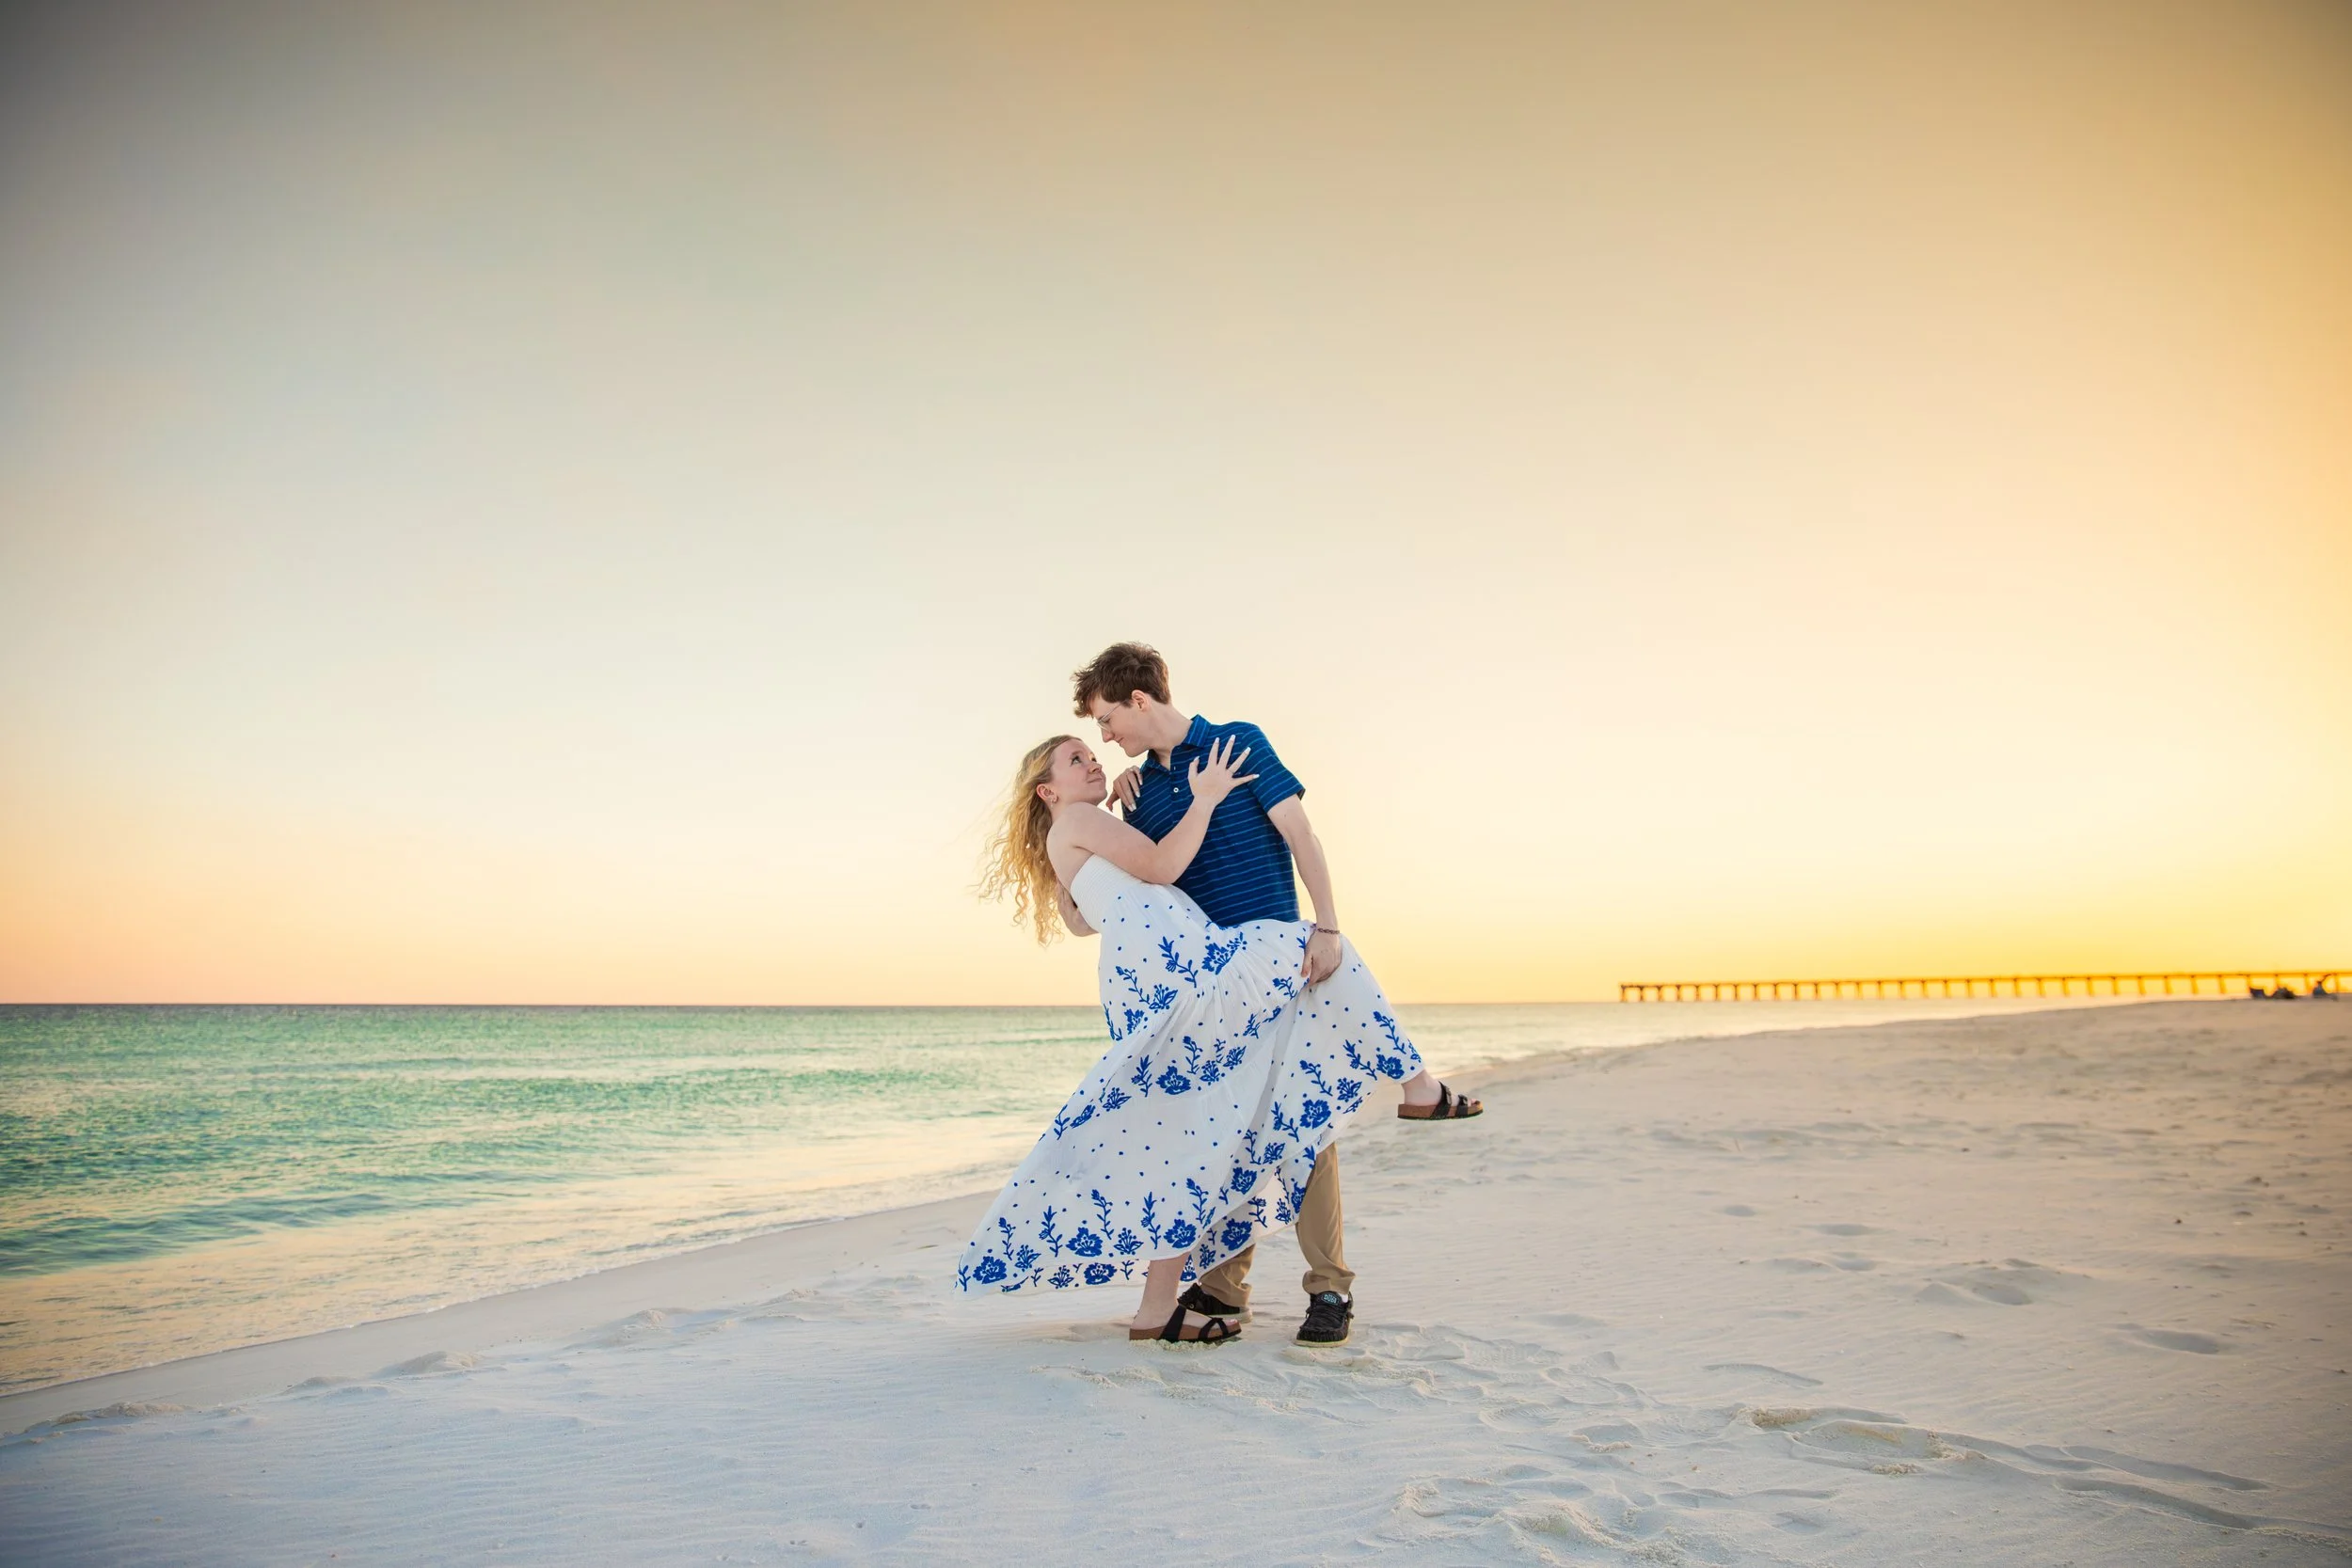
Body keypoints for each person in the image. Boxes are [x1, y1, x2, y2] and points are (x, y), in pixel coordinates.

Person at [959, 727, 1464, 1346]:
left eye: (1093, 752)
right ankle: (1419, 1083)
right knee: (1324, 944)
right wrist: (1206, 795)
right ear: (1047, 788)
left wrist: (1108, 816)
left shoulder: (1068, 834)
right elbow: (1163, 865)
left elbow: (1077, 918)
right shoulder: (1078, 824)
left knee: (1183, 1141)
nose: (1095, 760)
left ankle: (1153, 1312)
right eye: (1076, 759)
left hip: (1147, 981)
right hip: (1188, 967)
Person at [1075, 643, 1480, 1348]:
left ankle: (1330, 1290)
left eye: (1108, 719)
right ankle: (1226, 1290)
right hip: (1213, 992)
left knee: (1306, 1127)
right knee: (1228, 1132)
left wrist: (1327, 926)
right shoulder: (1139, 791)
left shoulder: (1239, 742)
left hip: (1285, 968)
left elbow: (1300, 833)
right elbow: (1137, 888)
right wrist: (1118, 810)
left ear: (1139, 701)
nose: (1105, 736)